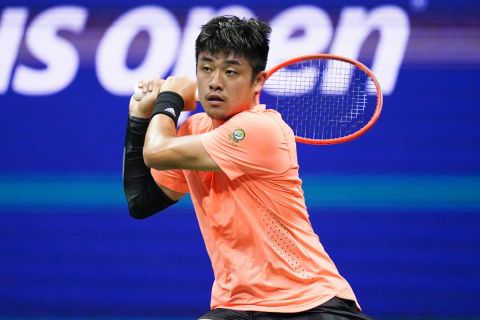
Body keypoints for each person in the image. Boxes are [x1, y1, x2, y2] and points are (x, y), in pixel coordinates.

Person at [123, 15, 372, 320]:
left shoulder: (259, 129)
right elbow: (142, 201)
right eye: (206, 68)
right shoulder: (195, 130)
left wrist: (170, 97)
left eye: (230, 71)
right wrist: (137, 117)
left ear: (258, 82)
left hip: (309, 303)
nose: (215, 81)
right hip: (237, 307)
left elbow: (156, 152)